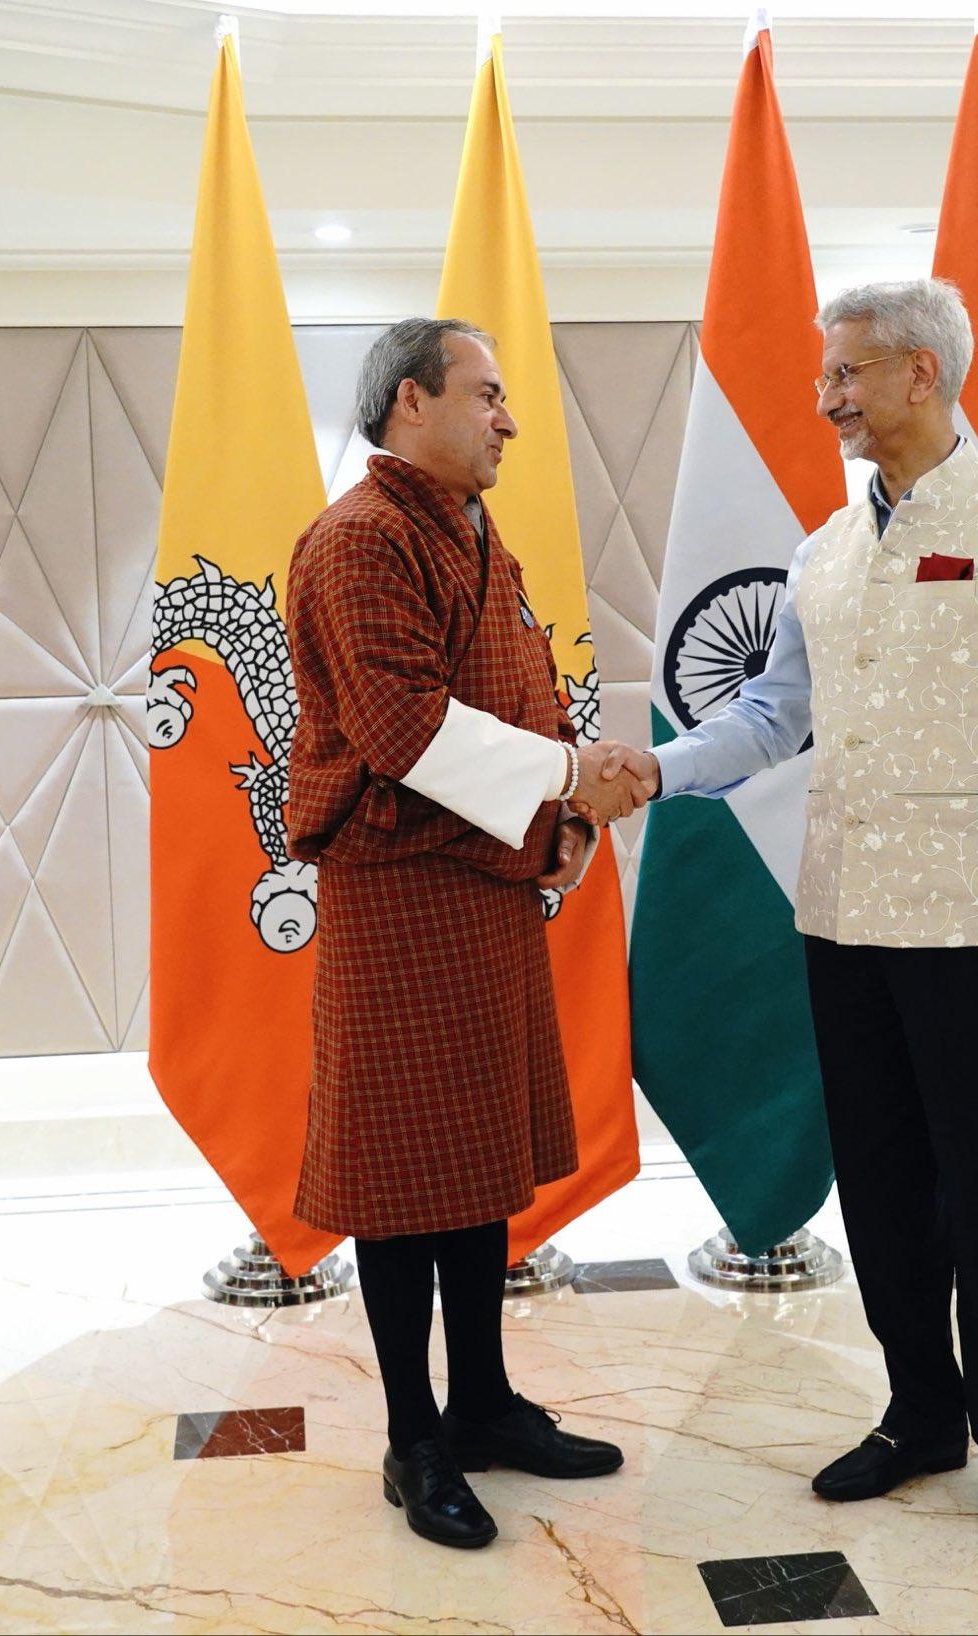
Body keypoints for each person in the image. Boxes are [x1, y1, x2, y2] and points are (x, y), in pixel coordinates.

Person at [603, 279, 978, 1555]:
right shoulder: (820, 550)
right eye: (826, 375)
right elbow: (773, 715)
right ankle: (917, 1414)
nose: (826, 396)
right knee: (881, 1187)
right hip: (840, 923)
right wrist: (655, 768)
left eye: (847, 374)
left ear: (921, 376)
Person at [282, 317, 642, 1550]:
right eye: (486, 394)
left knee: (475, 1165)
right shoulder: (357, 540)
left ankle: (483, 1402)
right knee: (398, 1183)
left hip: (483, 882)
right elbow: (404, 729)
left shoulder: (467, 529)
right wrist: (568, 781)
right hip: (398, 896)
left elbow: (519, 693)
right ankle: (413, 1434)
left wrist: (563, 819)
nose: (508, 419)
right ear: (408, 403)